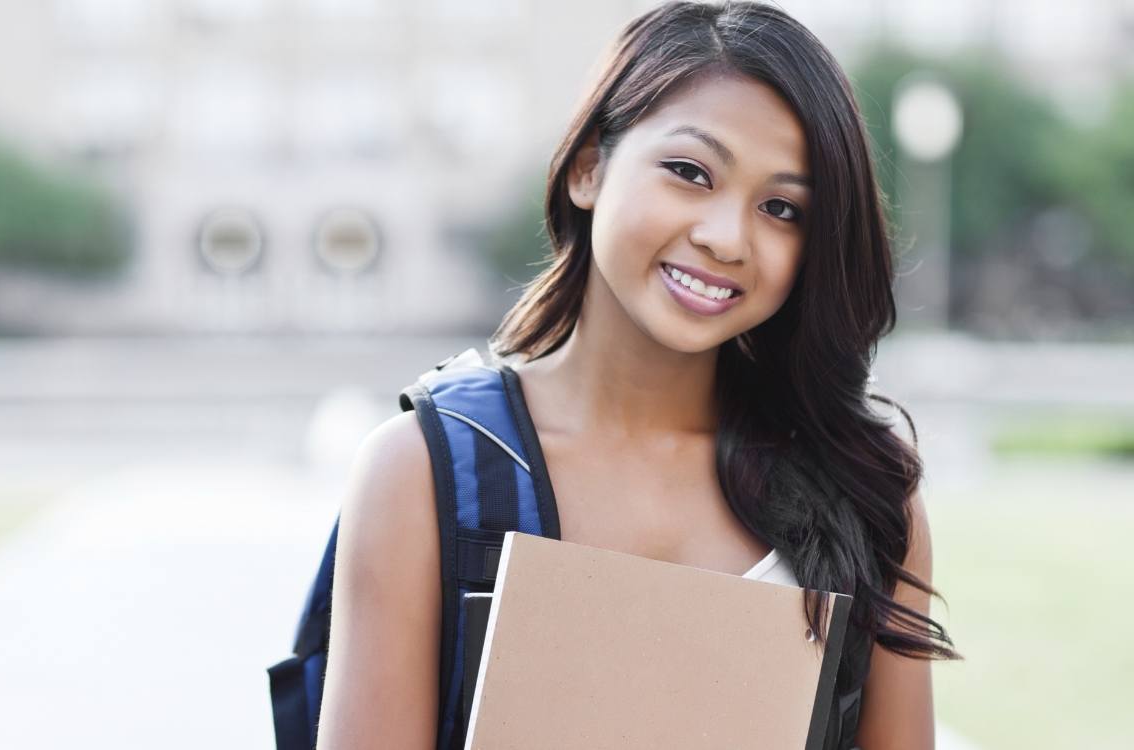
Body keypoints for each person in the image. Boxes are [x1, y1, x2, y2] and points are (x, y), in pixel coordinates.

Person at [316, 2, 961, 748]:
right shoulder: (422, 473)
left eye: (782, 208)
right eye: (690, 172)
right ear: (591, 166)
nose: (725, 238)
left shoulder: (867, 496)